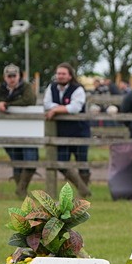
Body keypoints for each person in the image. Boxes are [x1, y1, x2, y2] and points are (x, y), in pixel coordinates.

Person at [0, 63, 39, 197]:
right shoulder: (1, 89)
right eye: (9, 76)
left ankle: (21, 189)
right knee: (16, 160)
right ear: (5, 77)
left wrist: (7, 105)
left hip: (28, 131)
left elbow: (29, 100)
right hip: (8, 131)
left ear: (19, 76)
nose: (12, 79)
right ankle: (21, 192)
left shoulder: (26, 87)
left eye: (14, 76)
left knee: (31, 160)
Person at [43, 62, 92, 197]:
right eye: (58, 73)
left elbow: (75, 108)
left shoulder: (78, 89)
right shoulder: (51, 87)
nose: (60, 76)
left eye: (63, 74)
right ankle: (83, 189)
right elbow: (46, 104)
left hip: (79, 132)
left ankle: (83, 194)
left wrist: (55, 110)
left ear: (70, 76)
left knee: (82, 162)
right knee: (61, 162)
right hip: (61, 133)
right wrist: (61, 108)